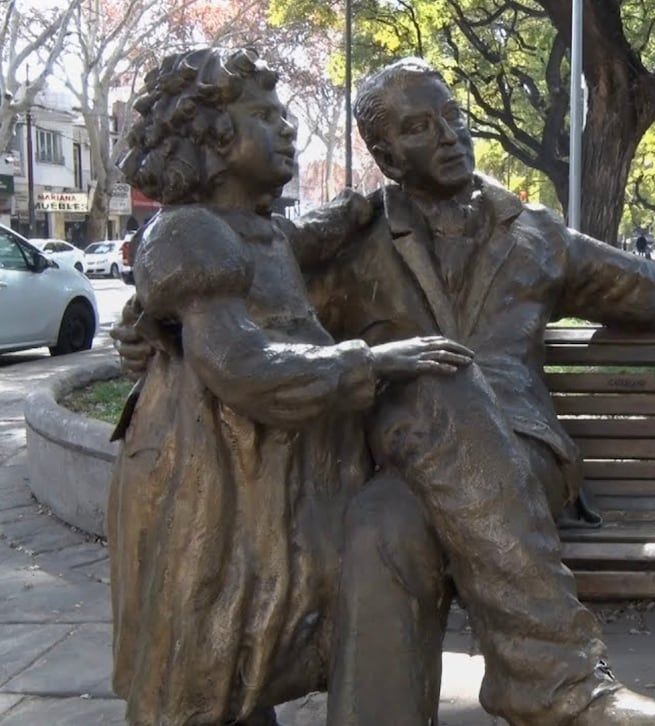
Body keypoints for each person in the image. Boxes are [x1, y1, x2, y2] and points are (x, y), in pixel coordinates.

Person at [115, 55, 655, 726]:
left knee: (391, 511)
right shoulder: (347, 241)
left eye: (452, 117)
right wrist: (149, 320)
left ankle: (547, 679)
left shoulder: (535, 234)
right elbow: (240, 290)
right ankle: (549, 684)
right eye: (419, 128)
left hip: (520, 457)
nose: (447, 134)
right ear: (384, 153)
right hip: (403, 456)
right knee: (387, 507)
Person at [107, 48, 478, 726]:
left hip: (261, 478)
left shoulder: (260, 232)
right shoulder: (190, 235)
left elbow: (316, 229)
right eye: (267, 117)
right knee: (202, 641)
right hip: (209, 476)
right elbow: (243, 370)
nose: (287, 130)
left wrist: (380, 194)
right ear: (215, 139)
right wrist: (375, 360)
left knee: (243, 648)